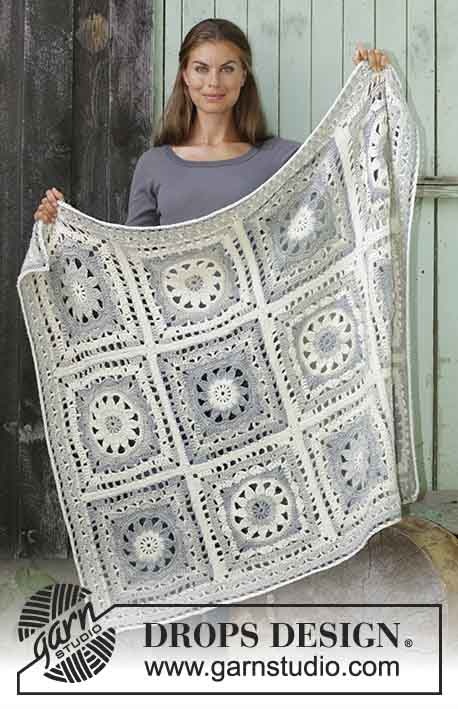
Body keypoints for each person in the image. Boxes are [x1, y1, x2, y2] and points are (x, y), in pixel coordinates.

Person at [33, 19, 389, 226]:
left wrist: (372, 90)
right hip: (174, 328)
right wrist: (63, 228)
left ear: (243, 76)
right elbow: (131, 261)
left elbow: (359, 178)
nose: (214, 82)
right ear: (185, 76)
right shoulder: (154, 164)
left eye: (227, 69)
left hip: (258, 329)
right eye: (201, 69)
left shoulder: (282, 159)